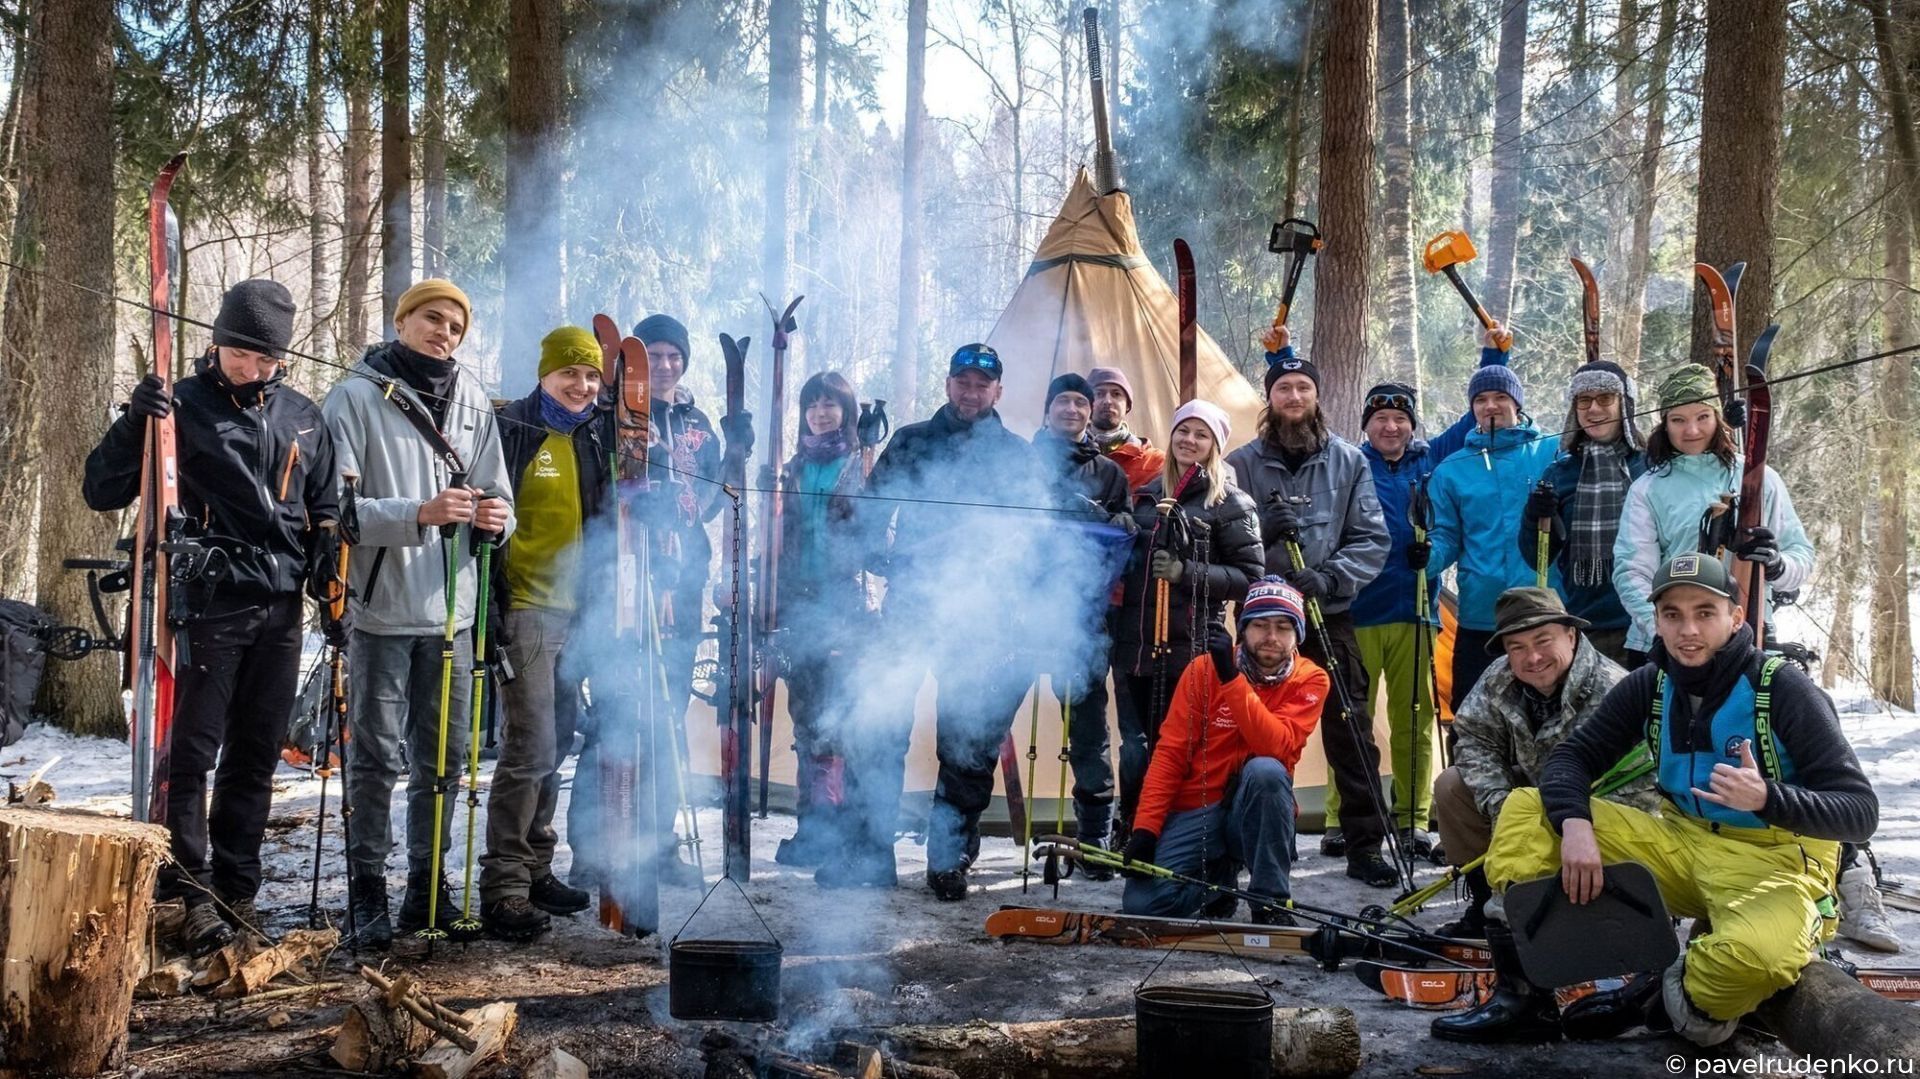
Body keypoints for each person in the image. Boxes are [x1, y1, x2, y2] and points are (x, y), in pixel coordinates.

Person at [1439, 554, 1878, 1045]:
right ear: (1658, 621)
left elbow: (1860, 813)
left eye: (1704, 613)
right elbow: (1571, 760)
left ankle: (1658, 999)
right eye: (1673, 614)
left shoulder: (1782, 688)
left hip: (1772, 860)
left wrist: (1768, 797)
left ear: (1735, 617)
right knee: (1525, 808)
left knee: (1756, 961)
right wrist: (1575, 825)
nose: (1688, 629)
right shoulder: (1652, 682)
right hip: (1680, 842)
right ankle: (1524, 999)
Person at [83, 279, 341, 955]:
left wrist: (326, 543)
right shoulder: (180, 407)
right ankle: (190, 890)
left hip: (282, 607)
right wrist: (135, 420)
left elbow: (322, 501)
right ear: (217, 339)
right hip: (206, 602)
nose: (253, 367)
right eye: (241, 352)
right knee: (192, 752)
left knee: (257, 753)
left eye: (266, 358)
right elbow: (99, 487)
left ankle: (238, 888)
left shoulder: (304, 416)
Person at [322, 279, 515, 950]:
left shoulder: (470, 399)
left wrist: (495, 518)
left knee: (444, 758)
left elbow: (498, 495)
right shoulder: (353, 397)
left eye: (457, 326)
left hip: (453, 614)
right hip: (380, 612)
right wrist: (419, 513)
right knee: (374, 758)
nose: (445, 333)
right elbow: (338, 514)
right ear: (403, 320)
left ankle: (426, 887)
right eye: (434, 319)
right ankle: (366, 891)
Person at [820, 344, 1038, 898]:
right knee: (880, 724)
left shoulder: (1015, 454)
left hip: (978, 616)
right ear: (948, 385)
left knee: (965, 742)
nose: (971, 391)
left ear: (998, 391)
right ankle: (871, 855)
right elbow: (873, 509)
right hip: (911, 605)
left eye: (982, 383)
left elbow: (1032, 535)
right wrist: (871, 551)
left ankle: (948, 858)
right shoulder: (913, 440)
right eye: (963, 381)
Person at [1226, 331, 1395, 887]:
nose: (1294, 396)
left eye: (1303, 387)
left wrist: (1328, 576)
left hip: (1329, 613)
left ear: (1316, 396)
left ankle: (1366, 842)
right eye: (1283, 388)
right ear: (1269, 398)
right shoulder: (1240, 464)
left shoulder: (1349, 461)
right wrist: (1259, 537)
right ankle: (1254, 838)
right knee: (1248, 724)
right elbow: (1218, 533)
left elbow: (1371, 537)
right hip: (1263, 618)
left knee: (1350, 726)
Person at [475, 326, 610, 941]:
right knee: (529, 745)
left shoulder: (594, 435)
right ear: (545, 374)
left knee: (556, 743)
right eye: (569, 374)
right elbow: (490, 519)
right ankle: (503, 885)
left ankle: (536, 868)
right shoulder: (517, 429)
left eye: (590, 375)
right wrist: (493, 607)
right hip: (527, 606)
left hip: (578, 610)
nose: (581, 386)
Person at [1429, 587, 1655, 938]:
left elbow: (1640, 794)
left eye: (1542, 640)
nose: (1532, 657)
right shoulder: (1499, 677)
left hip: (1596, 812)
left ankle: (1595, 914)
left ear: (1571, 635)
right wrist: (1505, 813)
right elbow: (1474, 739)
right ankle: (1487, 906)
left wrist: (1564, 824)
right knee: (1451, 786)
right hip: (1528, 801)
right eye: (1517, 647)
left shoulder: (1613, 689)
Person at [1121, 578, 1327, 924]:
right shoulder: (1202, 670)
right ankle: (1216, 882)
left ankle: (1269, 904)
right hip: (1197, 807)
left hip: (1258, 812)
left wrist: (1232, 679)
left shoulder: (1311, 679)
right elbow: (1170, 753)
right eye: (1260, 625)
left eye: (1283, 627)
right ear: (1243, 628)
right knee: (1144, 905)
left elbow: (1276, 746)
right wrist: (1146, 829)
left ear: (1298, 635)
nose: (1271, 637)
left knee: (1266, 770)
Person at [1110, 399, 1264, 841]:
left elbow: (1250, 578)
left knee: (1180, 747)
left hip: (1191, 647)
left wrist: (1186, 573)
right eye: (1183, 431)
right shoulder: (1146, 493)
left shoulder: (1231, 503)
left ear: (1215, 444)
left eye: (1201, 434)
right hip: (1136, 646)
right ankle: (1132, 828)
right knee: (1136, 749)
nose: (1189, 441)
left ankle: (1178, 832)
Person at [630, 312, 737, 884]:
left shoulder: (697, 422)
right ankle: (607, 844)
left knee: (669, 712)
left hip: (685, 577)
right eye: (654, 355)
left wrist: (733, 458)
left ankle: (660, 840)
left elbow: (711, 503)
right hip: (630, 578)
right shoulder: (618, 414)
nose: (666, 365)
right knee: (624, 716)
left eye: (675, 355)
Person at [1612, 363, 1812, 668]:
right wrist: (1664, 630)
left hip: (1748, 637)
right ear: (1664, 424)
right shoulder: (1647, 488)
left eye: (1702, 417)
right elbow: (1632, 572)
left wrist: (1776, 565)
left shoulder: (1759, 478)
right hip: (1666, 645)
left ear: (1718, 418)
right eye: (1678, 420)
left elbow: (1801, 556)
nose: (1691, 430)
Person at [1030, 372, 1132, 869]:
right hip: (1018, 614)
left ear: (1091, 412)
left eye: (1080, 402)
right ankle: (961, 845)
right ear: (1048, 409)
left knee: (1088, 730)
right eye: (1062, 401)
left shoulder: (1109, 473)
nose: (1072, 409)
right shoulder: (1018, 463)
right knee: (984, 722)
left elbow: (1123, 547)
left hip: (1082, 618)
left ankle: (1095, 844)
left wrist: (1119, 523)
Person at [771, 371, 870, 868]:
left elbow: (873, 532)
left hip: (842, 603)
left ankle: (839, 830)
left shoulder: (861, 462)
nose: (820, 412)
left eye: (830, 404)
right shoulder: (790, 469)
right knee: (806, 719)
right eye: (812, 404)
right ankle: (811, 827)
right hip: (796, 603)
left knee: (839, 720)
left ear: (846, 411)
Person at [1427, 363, 1559, 708]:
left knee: (1544, 710)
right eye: (1481, 399)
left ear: (1517, 403)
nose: (1490, 406)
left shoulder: (1552, 452)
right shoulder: (1452, 469)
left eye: (1500, 397)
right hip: (1481, 612)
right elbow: (1446, 537)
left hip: (1542, 607)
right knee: (1471, 710)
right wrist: (1424, 558)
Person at [1520, 361, 1646, 665]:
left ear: (1625, 405)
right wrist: (1533, 516)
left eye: (1605, 399)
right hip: (1587, 623)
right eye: (1583, 400)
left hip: (1646, 621)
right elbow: (1537, 554)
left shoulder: (1650, 465)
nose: (1593, 409)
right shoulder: (1559, 473)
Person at [1086, 366, 1166, 491]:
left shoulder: (1154, 462)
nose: (1108, 401)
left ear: (1127, 405)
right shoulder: (1067, 456)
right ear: (1086, 403)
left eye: (1116, 394)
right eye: (1099, 394)